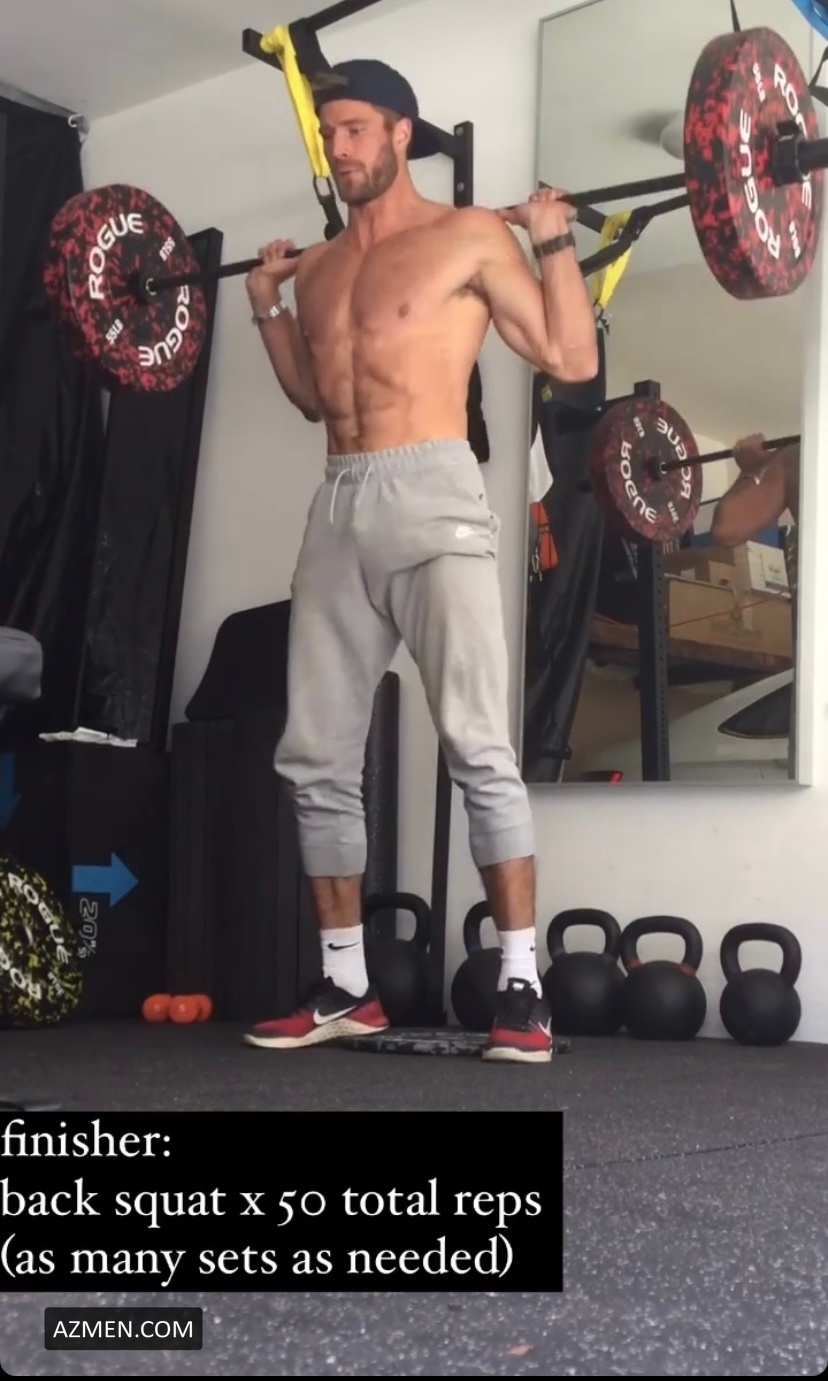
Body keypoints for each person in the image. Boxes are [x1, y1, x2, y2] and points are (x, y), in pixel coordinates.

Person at [242, 58, 599, 1063]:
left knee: (477, 744)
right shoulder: (318, 269)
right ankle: (347, 984)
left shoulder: (470, 236)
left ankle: (522, 986)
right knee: (314, 755)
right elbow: (313, 398)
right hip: (338, 504)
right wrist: (266, 305)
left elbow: (570, 357)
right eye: (330, 134)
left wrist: (553, 239)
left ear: (402, 133)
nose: (339, 149)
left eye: (355, 128)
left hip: (434, 490)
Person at [710, 434, 800, 598]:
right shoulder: (798, 455)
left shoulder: (797, 455)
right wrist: (751, 472)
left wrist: (751, 471)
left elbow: (727, 529)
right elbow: (727, 529)